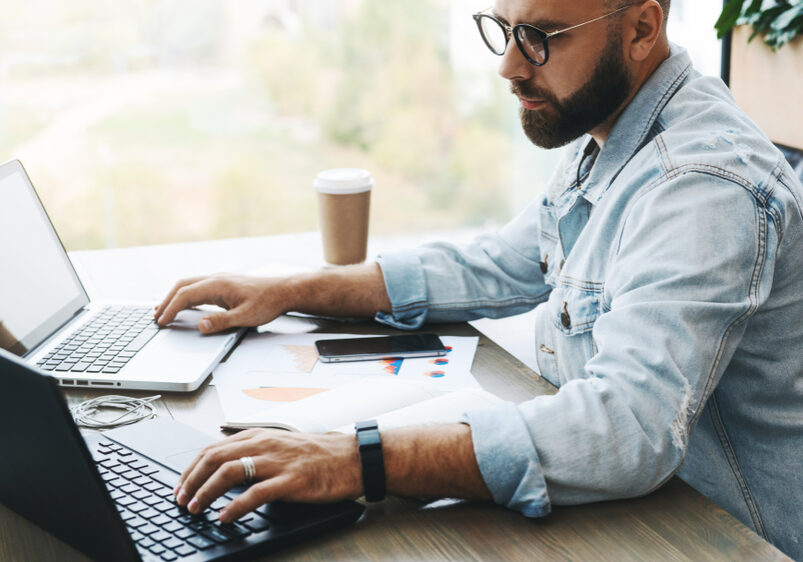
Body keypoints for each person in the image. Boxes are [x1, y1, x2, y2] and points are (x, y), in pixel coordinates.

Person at [154, 1, 803, 558]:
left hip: (721, 534)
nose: (509, 66)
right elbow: (499, 262)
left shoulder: (702, 185)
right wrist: (291, 290)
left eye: (541, 38)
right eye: (503, 29)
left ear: (639, 29)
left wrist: (355, 459)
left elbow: (626, 429)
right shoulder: (607, 128)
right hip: (637, 508)